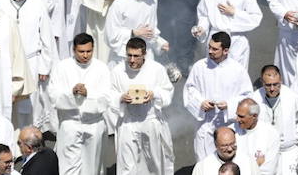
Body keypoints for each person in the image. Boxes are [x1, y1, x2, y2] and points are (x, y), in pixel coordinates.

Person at [48, 34, 114, 175]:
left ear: (93, 49)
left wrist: (87, 94)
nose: (85, 55)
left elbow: (107, 97)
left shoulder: (101, 68)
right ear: (74, 50)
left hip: (93, 123)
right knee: (68, 166)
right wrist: (71, 93)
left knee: (92, 167)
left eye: (89, 51)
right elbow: (53, 95)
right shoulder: (62, 67)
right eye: (81, 51)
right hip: (70, 123)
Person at [184, 33, 255, 159]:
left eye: (215, 49)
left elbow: (247, 97)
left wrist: (229, 105)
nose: (210, 51)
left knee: (228, 163)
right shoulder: (199, 67)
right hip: (205, 124)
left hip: (228, 124)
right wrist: (200, 103)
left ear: (226, 50)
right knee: (204, 163)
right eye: (209, 47)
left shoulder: (237, 70)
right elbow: (190, 89)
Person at [110, 37, 175, 175]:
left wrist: (154, 94)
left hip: (150, 121)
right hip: (128, 122)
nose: (132, 60)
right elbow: (109, 93)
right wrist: (120, 97)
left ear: (144, 54)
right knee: (128, 166)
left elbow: (167, 91)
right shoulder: (117, 71)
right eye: (129, 55)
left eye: (136, 56)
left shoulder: (156, 69)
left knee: (154, 164)